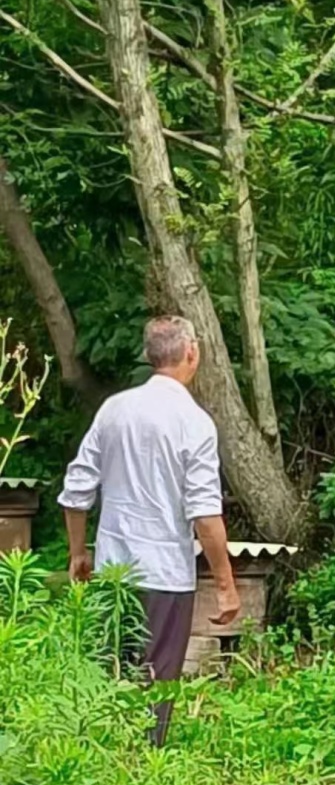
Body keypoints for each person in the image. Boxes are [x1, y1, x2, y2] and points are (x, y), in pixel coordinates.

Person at [58, 315, 241, 743]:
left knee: (109, 672)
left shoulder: (114, 409)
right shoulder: (193, 422)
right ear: (192, 353)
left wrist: (78, 552)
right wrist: (226, 583)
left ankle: (100, 756)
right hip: (165, 574)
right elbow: (205, 514)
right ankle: (143, 766)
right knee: (156, 681)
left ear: (149, 355)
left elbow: (76, 490)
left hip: (113, 572)